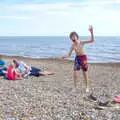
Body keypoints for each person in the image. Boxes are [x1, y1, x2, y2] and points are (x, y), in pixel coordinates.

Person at [61, 25, 95, 92]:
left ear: (76, 36)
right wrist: (65, 56)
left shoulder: (81, 42)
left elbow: (92, 40)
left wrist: (91, 32)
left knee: (85, 73)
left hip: (83, 58)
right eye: (71, 37)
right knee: (75, 73)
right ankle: (75, 87)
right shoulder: (73, 45)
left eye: (74, 36)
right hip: (77, 58)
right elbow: (69, 54)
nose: (73, 38)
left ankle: (87, 87)